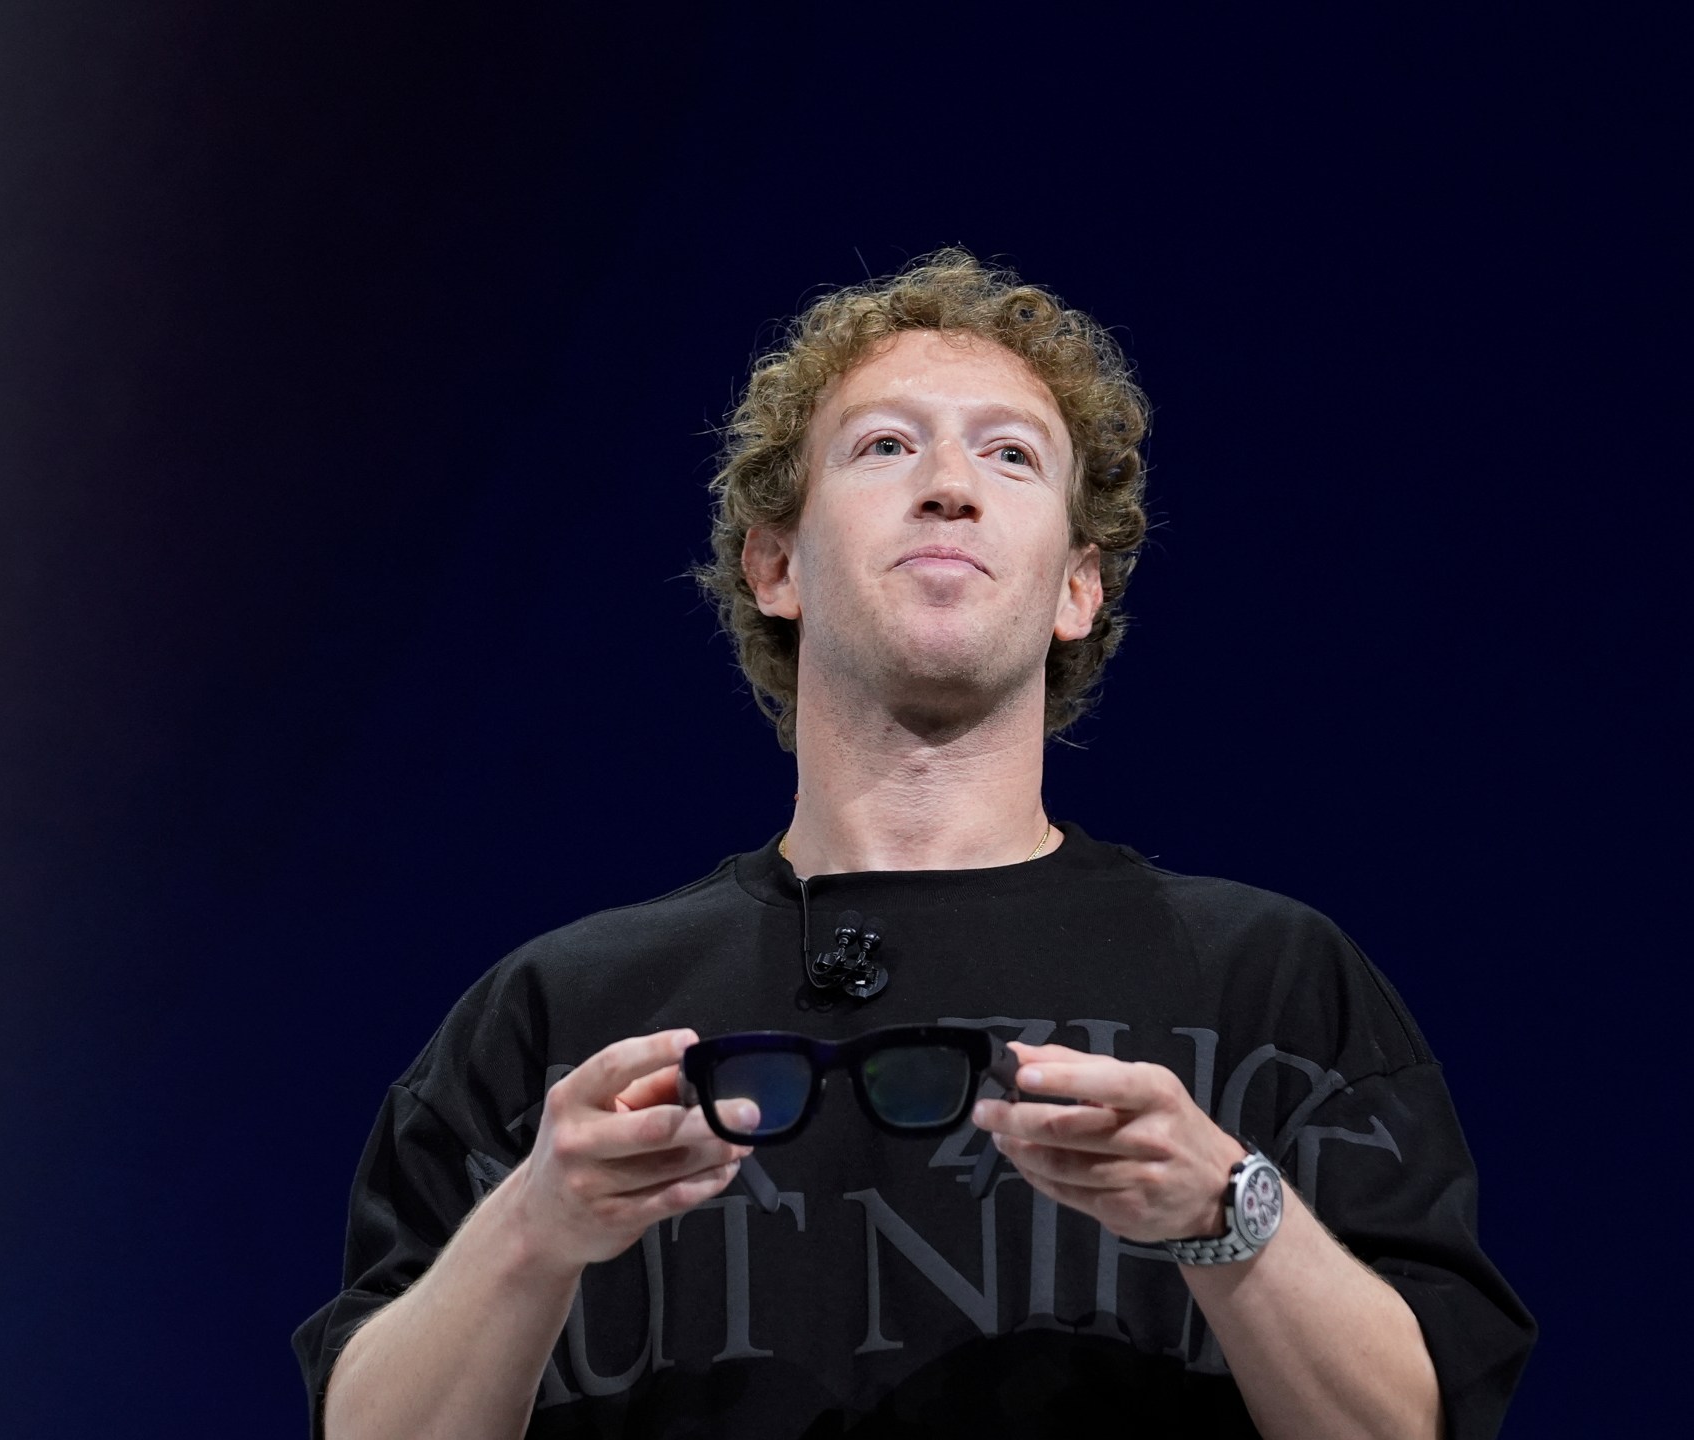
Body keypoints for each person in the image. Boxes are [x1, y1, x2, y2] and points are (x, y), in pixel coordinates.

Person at [293, 250, 1535, 1438]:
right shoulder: (565, 1017)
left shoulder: (1270, 984)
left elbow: (1411, 1427)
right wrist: (535, 1226)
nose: (950, 483)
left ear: (1076, 590)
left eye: (1010, 454)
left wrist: (1228, 1212)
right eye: (885, 446)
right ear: (775, 563)